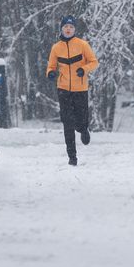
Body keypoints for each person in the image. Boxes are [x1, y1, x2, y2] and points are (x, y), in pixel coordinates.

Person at [45, 15, 99, 166]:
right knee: (67, 122)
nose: (68, 29)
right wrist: (50, 73)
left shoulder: (82, 45)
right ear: (61, 29)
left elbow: (94, 62)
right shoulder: (56, 48)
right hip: (63, 89)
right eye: (65, 27)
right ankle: (72, 157)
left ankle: (83, 129)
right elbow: (50, 66)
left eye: (71, 27)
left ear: (74, 29)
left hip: (80, 88)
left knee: (81, 119)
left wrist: (84, 69)